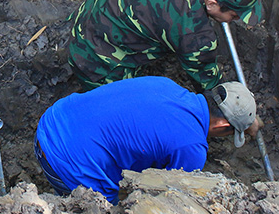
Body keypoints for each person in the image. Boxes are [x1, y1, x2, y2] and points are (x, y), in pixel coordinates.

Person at [67, 0, 264, 92]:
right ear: (212, 4)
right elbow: (210, 83)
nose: (234, 21)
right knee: (130, 116)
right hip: (96, 60)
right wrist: (237, 107)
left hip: (92, 11)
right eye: (235, 16)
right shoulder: (193, 36)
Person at [34, 76, 261, 203]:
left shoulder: (167, 84)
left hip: (52, 122)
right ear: (222, 125)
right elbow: (169, 198)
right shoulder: (192, 147)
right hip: (64, 163)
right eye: (231, 133)